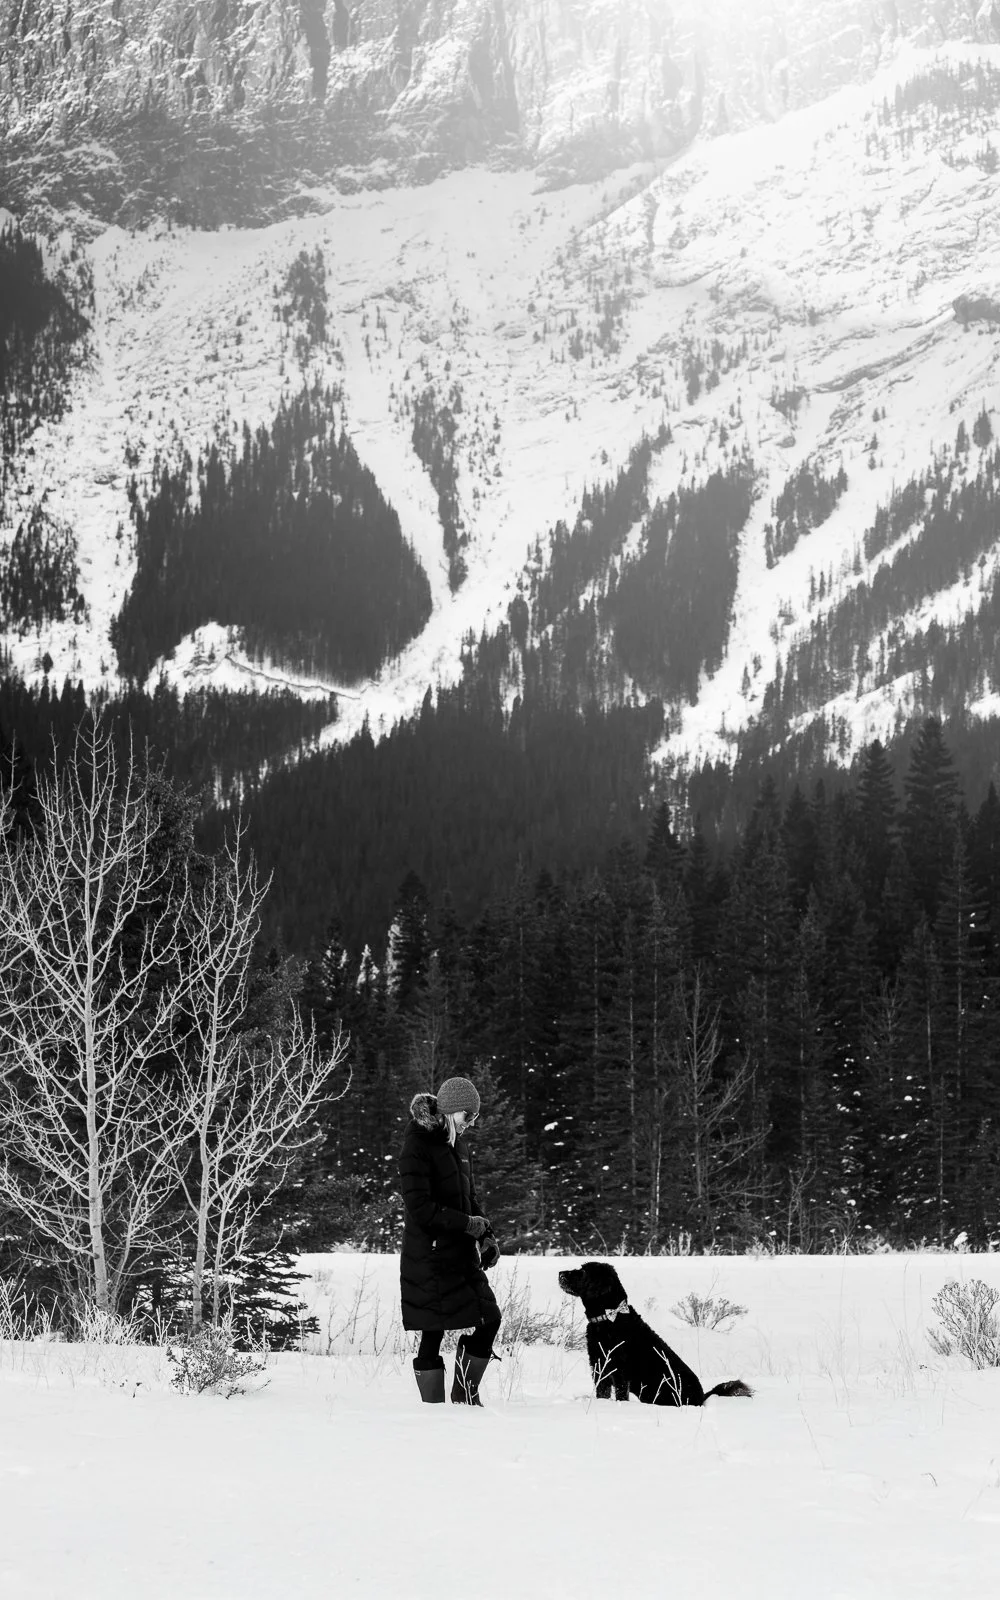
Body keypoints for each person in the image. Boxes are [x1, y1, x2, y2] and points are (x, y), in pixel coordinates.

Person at [398, 1075, 501, 1404]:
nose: (471, 1122)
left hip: (459, 1252)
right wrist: (467, 1224)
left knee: (490, 1318)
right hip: (428, 1254)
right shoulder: (417, 1144)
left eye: (475, 1116)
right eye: (467, 1115)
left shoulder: (458, 1145)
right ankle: (434, 1409)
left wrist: (486, 1235)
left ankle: (465, 1396)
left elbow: (469, 1197)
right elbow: (421, 1209)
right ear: (451, 1111)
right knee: (433, 1329)